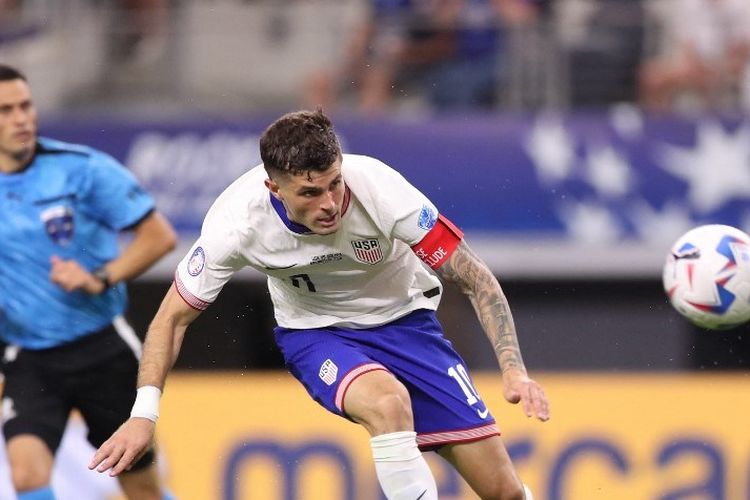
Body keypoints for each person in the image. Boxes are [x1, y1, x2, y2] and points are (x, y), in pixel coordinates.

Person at [90, 109, 549, 499]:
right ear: (275, 189)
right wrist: (142, 416)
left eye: (334, 184)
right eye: (310, 193)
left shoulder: (383, 192)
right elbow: (171, 319)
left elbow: (476, 278)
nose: (329, 203)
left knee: (503, 491)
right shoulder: (235, 224)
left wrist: (514, 369)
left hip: (409, 326)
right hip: (316, 334)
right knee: (388, 402)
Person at [0, 64, 177, 500]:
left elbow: (159, 236)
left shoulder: (82, 169)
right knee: (26, 475)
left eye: (25, 106)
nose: (21, 118)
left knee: (141, 489)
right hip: (30, 356)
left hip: (102, 349)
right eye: (6, 110)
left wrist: (101, 276)